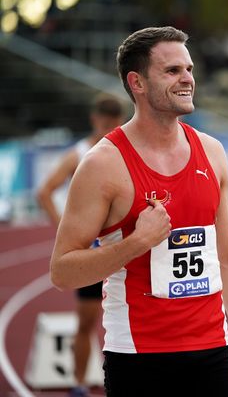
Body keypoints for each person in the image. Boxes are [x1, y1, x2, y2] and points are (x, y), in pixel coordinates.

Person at [49, 26, 228, 397]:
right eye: (172, 71)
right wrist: (136, 243)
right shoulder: (103, 165)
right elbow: (62, 271)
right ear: (137, 82)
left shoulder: (212, 153)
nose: (187, 79)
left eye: (190, 69)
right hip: (138, 358)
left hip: (212, 352)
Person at [36, 94, 124, 397]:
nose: (107, 129)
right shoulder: (79, 154)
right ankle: (77, 384)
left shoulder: (125, 151)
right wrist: (65, 229)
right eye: (104, 123)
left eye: (113, 124)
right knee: (87, 321)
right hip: (91, 253)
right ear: (94, 120)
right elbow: (44, 192)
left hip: (123, 251)